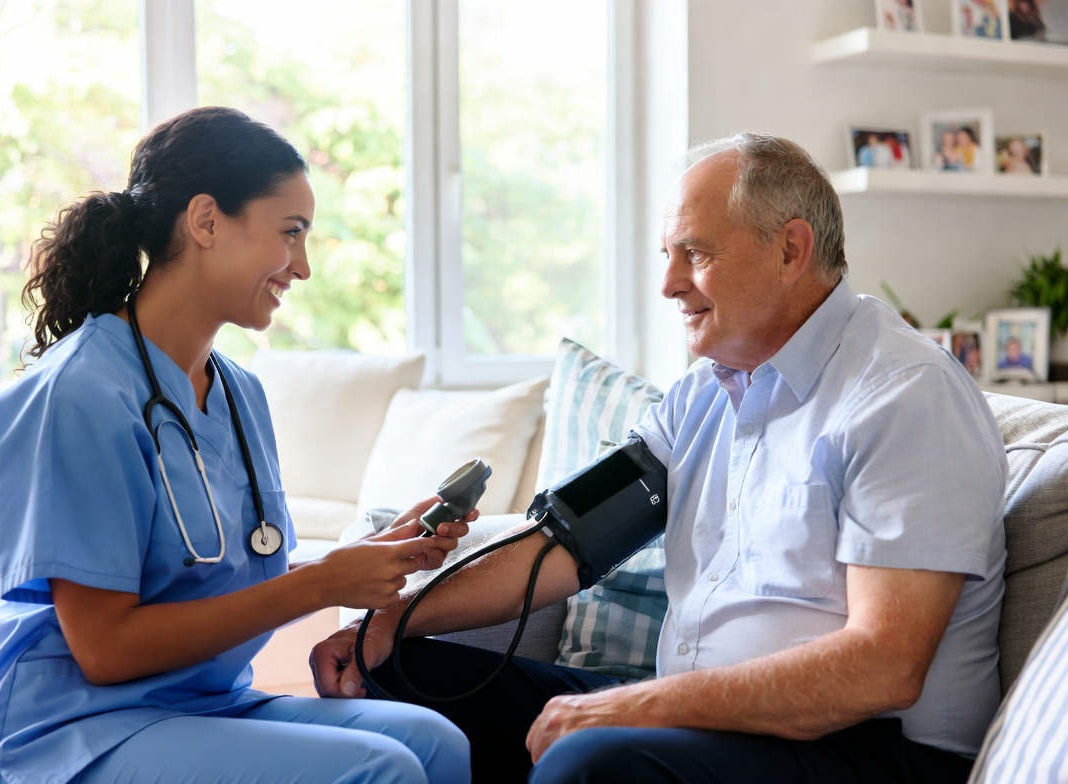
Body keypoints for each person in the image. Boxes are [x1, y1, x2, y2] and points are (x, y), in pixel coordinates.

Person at [312, 133, 1008, 783]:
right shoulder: (700, 398)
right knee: (401, 679)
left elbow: (882, 668)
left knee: (592, 761)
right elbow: (560, 549)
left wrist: (632, 708)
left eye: (696, 254)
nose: (670, 283)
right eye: (668, 256)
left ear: (791, 250)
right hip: (703, 717)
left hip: (865, 748)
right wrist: (392, 623)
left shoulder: (903, 396)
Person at [0, 106, 473, 784]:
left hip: (201, 704)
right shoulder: (78, 393)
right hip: (71, 729)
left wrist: (363, 561)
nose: (304, 266)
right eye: (291, 233)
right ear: (205, 221)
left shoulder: (239, 394)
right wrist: (321, 585)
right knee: (381, 770)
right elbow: (105, 649)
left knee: (437, 743)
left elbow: (221, 578)